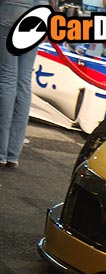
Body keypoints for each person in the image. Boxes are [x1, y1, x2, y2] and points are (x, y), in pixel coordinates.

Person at [0, 0, 47, 168]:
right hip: (40, 10)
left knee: (7, 77)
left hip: (12, 7)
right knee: (23, 80)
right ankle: (12, 153)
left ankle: (1, 152)